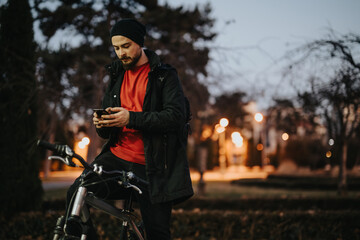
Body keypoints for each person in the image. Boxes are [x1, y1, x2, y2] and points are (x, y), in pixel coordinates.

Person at [64, 18, 194, 240]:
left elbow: (175, 117)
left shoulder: (164, 76)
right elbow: (109, 130)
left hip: (152, 167)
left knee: (158, 233)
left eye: (126, 46)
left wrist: (130, 118)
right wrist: (103, 125)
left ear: (139, 43)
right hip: (115, 159)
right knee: (76, 193)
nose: (120, 53)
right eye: (116, 48)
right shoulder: (117, 75)